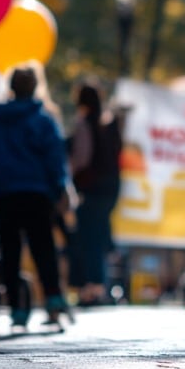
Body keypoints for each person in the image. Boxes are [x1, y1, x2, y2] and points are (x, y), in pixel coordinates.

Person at [0, 63, 71, 327]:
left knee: (9, 251)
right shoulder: (43, 120)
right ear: (35, 87)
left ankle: (17, 308)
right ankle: (53, 301)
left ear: (11, 87)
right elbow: (55, 158)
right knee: (43, 248)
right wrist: (60, 186)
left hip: (4, 193)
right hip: (38, 193)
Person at [66, 80, 123, 307]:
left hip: (91, 189)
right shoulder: (109, 124)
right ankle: (100, 286)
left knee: (89, 238)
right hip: (111, 188)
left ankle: (92, 288)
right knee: (100, 235)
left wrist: (69, 173)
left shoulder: (85, 124)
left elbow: (82, 157)